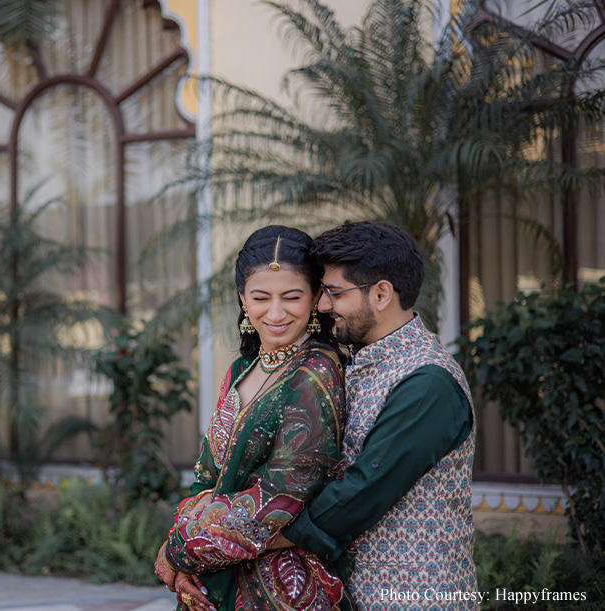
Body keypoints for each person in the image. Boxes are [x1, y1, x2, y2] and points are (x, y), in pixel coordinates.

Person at [276, 220, 478, 610]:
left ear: (382, 294)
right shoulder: (357, 363)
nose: (323, 306)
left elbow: (364, 488)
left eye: (334, 293)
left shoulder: (427, 381)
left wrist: (257, 538)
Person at [154, 225, 354, 611]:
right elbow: (206, 477)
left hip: (280, 585)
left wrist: (176, 553)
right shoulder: (241, 369)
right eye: (261, 297)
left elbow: (279, 498)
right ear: (243, 299)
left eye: (292, 297)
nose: (275, 313)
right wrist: (183, 561)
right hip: (212, 574)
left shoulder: (315, 373)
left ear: (314, 298)